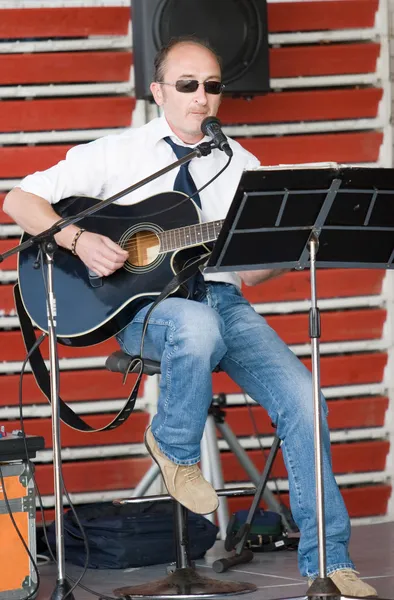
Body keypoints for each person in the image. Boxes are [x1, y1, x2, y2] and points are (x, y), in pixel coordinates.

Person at [3, 36, 377, 597]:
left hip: (224, 301)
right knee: (193, 326)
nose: (202, 97)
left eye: (212, 86)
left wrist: (296, 246)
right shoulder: (117, 154)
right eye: (187, 85)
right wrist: (80, 240)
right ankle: (174, 450)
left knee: (306, 399)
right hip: (142, 311)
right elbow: (18, 200)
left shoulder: (240, 163)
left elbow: (248, 274)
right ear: (158, 92)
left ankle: (328, 562)